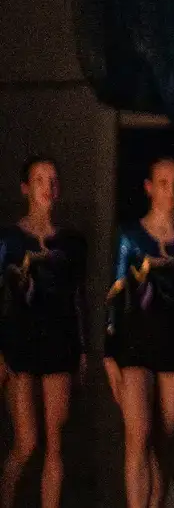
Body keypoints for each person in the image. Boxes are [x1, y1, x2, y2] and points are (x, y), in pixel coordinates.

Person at [104, 156, 174, 508]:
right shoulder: (131, 237)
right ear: (150, 188)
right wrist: (108, 353)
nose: (172, 191)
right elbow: (115, 294)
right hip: (135, 345)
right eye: (164, 183)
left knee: (164, 443)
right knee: (139, 435)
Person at [0, 155, 87, 508]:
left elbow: (77, 297)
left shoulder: (71, 242)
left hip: (58, 341)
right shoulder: (8, 239)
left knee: (55, 440)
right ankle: (6, 494)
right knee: (27, 440)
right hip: (20, 341)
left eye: (52, 180)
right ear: (25, 188)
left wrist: (82, 350)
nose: (48, 187)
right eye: (40, 180)